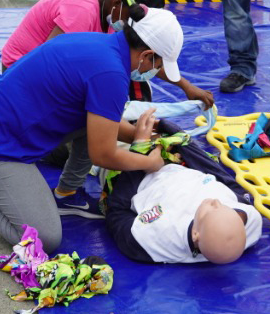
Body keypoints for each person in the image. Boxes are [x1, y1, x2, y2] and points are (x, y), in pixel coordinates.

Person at [0, 6, 184, 253]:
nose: (153, 72)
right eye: (157, 65)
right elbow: (102, 155)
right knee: (43, 240)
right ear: (146, 55)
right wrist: (148, 162)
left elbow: (103, 122)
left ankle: (66, 192)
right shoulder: (110, 74)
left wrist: (137, 135)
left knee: (88, 120)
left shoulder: (101, 45)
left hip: (3, 124)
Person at [0, 0, 214, 108]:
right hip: (22, 73)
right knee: (73, 139)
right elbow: (47, 65)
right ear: (117, 4)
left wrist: (186, 86)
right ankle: (2, 107)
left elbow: (148, 58)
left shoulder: (111, 11)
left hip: (50, 70)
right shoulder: (81, 13)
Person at [104, 111, 262, 264]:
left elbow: (117, 211)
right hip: (180, 161)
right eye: (226, 207)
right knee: (141, 124)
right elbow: (219, 175)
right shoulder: (247, 219)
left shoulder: (155, 238)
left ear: (195, 234)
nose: (216, 202)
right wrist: (179, 136)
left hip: (137, 176)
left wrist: (140, 151)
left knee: (104, 130)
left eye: (212, 209)